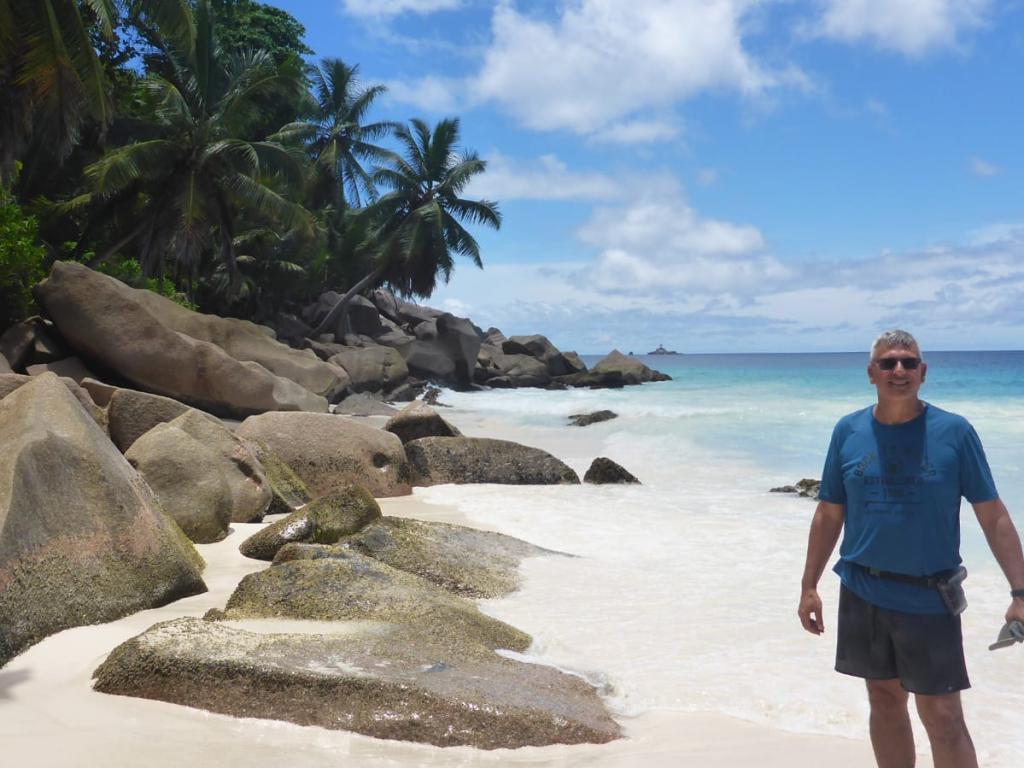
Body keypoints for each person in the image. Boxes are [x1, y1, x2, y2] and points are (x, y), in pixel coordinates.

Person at [798, 329, 1024, 768]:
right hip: (862, 589)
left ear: (923, 372)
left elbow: (992, 514)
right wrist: (809, 586)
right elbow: (829, 512)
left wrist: (1021, 592)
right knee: (883, 701)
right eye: (887, 363)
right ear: (871, 373)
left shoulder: (954, 433)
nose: (897, 370)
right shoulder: (848, 431)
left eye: (907, 362)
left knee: (942, 714)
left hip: (928, 595)